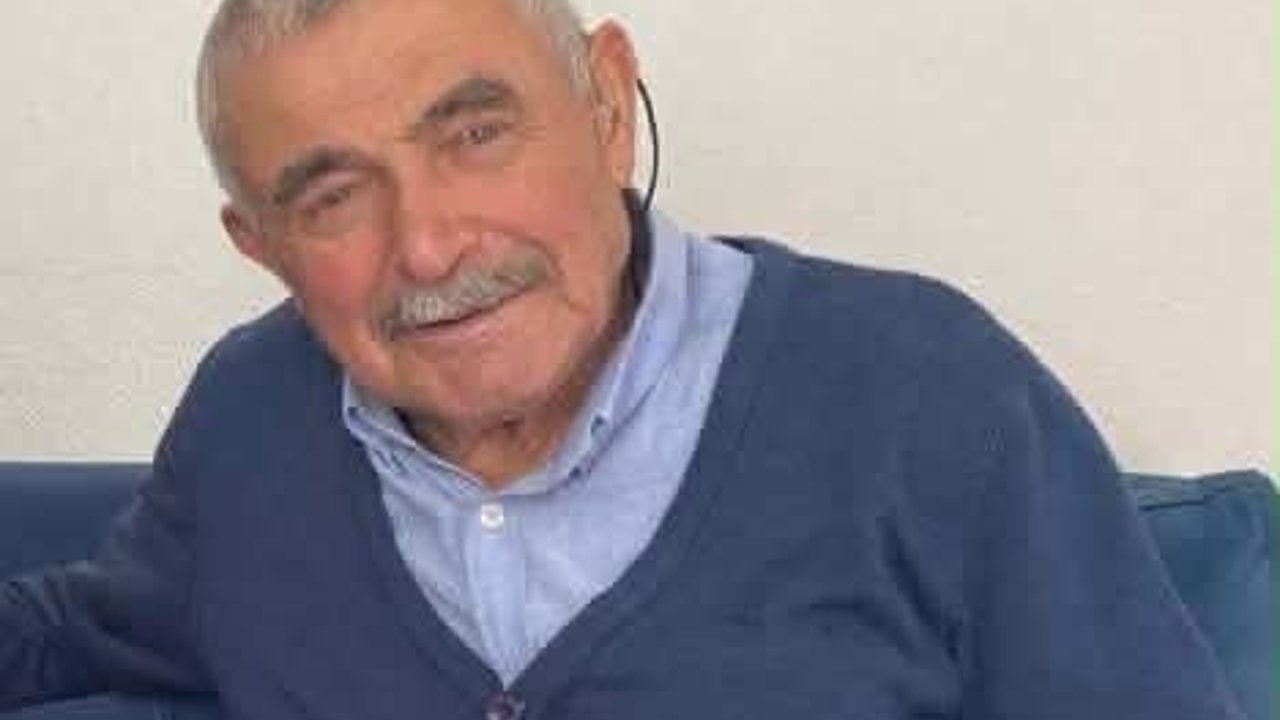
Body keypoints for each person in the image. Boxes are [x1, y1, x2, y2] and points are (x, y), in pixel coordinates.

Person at [0, 0, 1246, 718]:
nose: (428, 245)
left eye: (475, 135)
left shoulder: (927, 395)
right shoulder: (250, 427)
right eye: (332, 198)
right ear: (260, 245)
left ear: (604, 103)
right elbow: (77, 629)